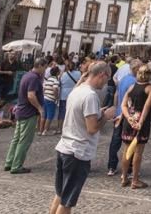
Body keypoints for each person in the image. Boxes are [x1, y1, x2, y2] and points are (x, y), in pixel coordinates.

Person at [50, 61, 116, 214]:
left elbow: (80, 114)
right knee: (67, 201)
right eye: (107, 79)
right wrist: (105, 117)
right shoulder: (90, 95)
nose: (107, 83)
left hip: (64, 147)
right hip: (77, 153)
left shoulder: (77, 90)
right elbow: (92, 128)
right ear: (102, 74)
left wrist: (97, 112)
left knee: (60, 194)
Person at [4, 57, 47, 174]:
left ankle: (9, 162)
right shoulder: (33, 78)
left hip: (21, 110)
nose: (45, 70)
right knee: (24, 140)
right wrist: (39, 108)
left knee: (16, 139)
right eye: (45, 67)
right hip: (29, 112)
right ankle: (17, 165)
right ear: (41, 66)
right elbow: (31, 95)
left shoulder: (27, 75)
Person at [120, 64, 151, 189]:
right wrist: (141, 121)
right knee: (138, 152)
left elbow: (123, 105)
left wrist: (128, 117)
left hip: (129, 122)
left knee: (126, 150)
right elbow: (146, 106)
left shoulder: (131, 87)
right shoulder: (150, 88)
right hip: (140, 123)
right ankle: (135, 180)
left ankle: (124, 177)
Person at [54, 61, 82, 134]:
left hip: (63, 95)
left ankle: (59, 128)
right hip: (74, 94)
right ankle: (70, 128)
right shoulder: (78, 73)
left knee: (62, 112)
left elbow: (59, 83)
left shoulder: (63, 74)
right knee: (72, 112)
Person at [41, 67, 61, 135]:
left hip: (45, 98)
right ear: (57, 73)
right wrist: (56, 97)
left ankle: (41, 130)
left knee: (44, 115)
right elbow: (55, 89)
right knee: (50, 116)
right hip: (51, 99)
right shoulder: (55, 80)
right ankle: (46, 130)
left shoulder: (48, 79)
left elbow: (44, 89)